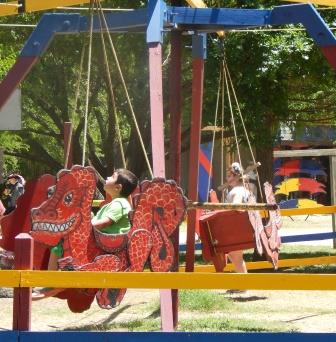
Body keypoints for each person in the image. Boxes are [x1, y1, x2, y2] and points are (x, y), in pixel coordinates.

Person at [33, 168, 138, 299]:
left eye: (112, 177)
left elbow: (104, 223)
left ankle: (53, 280)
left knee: (65, 241)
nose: (107, 178)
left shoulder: (120, 203)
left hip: (108, 246)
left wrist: (82, 226)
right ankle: (55, 278)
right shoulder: (112, 204)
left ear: (117, 187)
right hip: (100, 241)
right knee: (61, 242)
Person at [224, 162, 251, 274]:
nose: (227, 178)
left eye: (230, 176)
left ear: (236, 177)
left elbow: (236, 206)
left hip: (235, 228)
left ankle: (242, 286)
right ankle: (242, 285)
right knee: (235, 257)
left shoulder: (237, 191)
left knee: (236, 257)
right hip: (239, 227)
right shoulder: (244, 190)